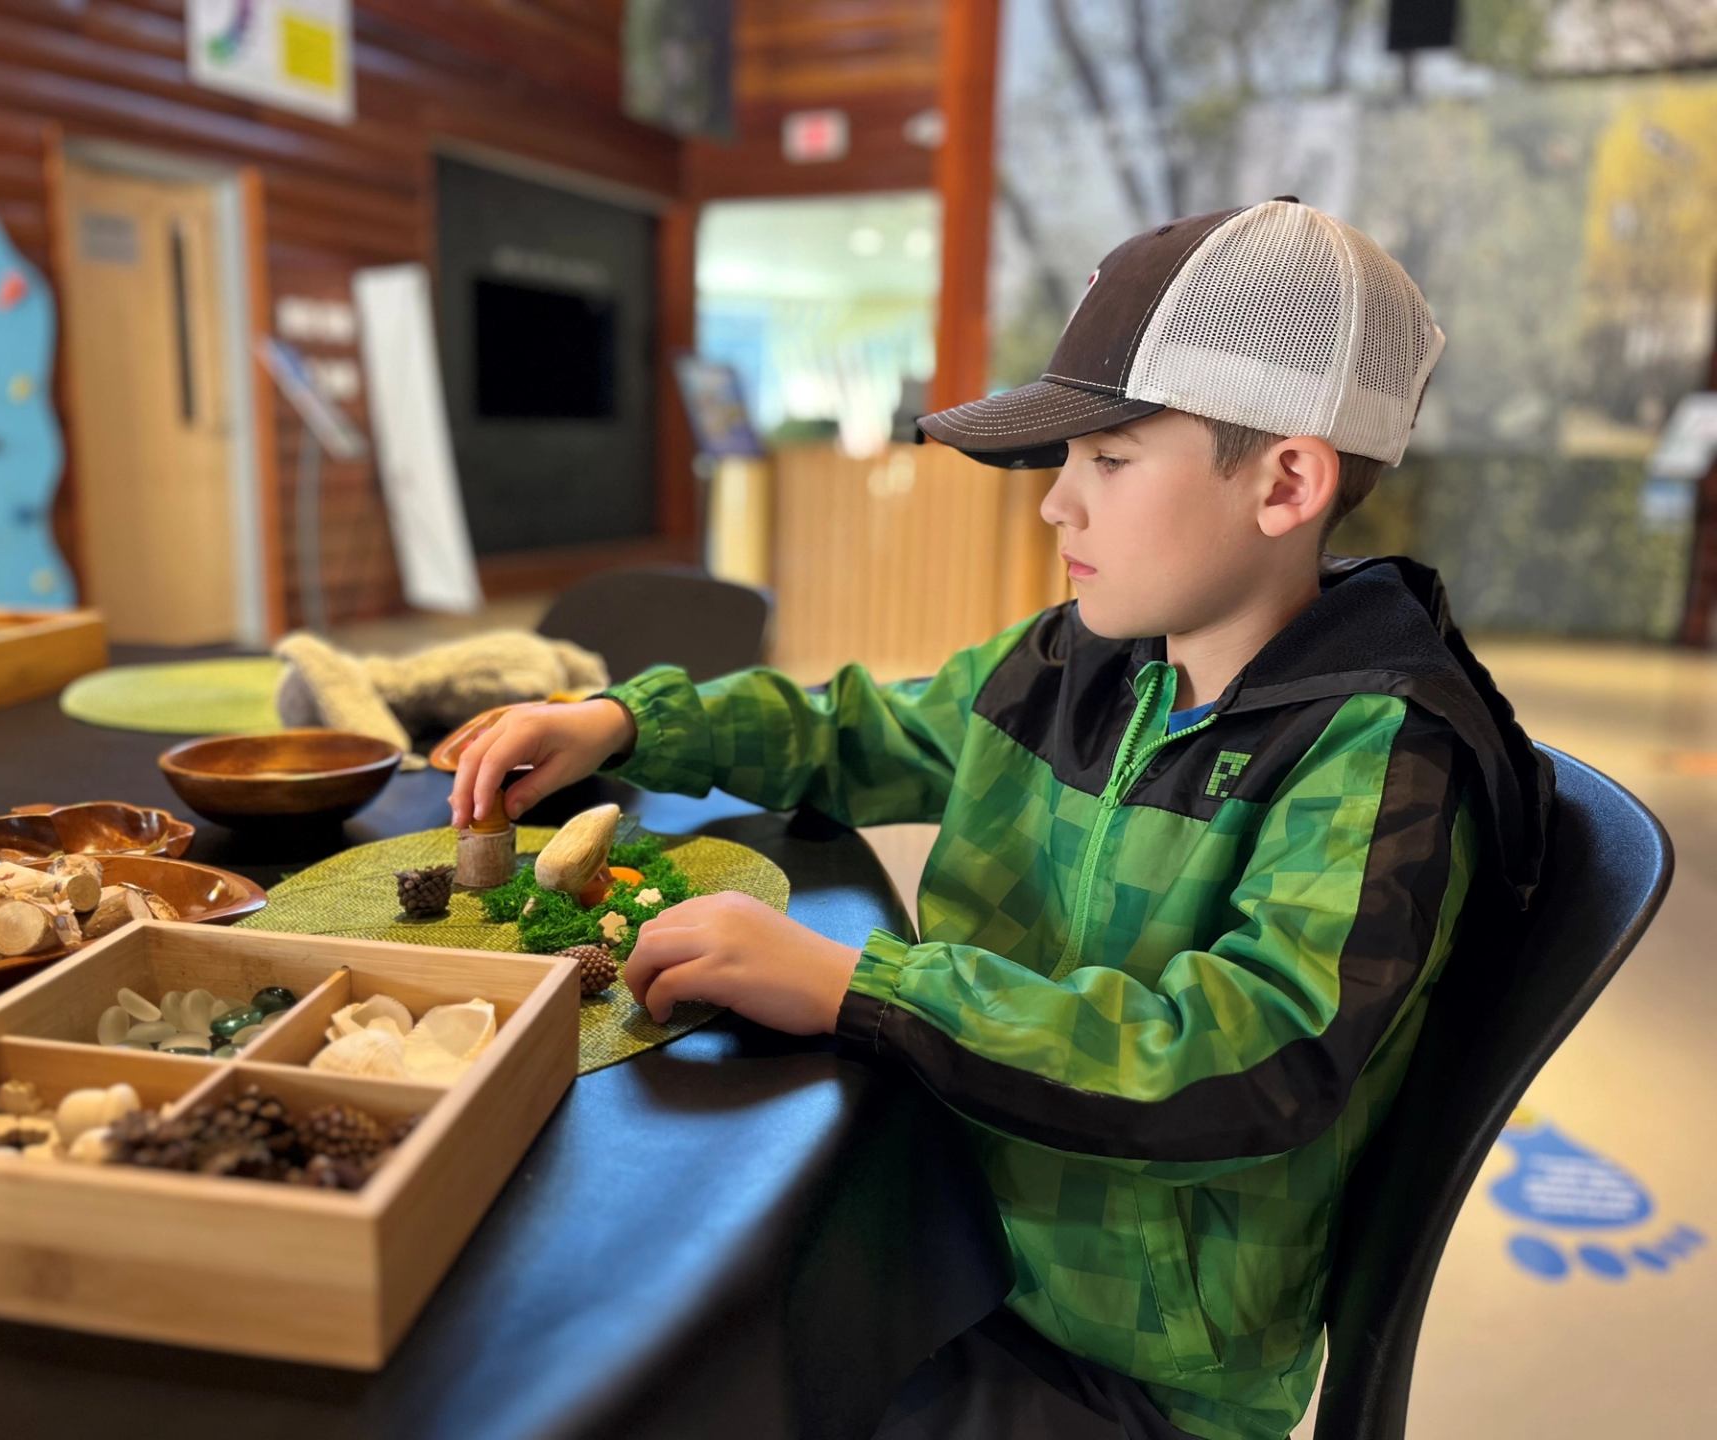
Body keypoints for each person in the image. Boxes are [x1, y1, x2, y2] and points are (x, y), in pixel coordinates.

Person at [449, 198, 1553, 1440]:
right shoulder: (1077, 657)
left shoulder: (1378, 751)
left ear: (1288, 479)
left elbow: (1248, 1056)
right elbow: (859, 727)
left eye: (1110, 461)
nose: (1054, 507)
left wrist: (862, 987)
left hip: (1123, 1367)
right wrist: (631, 724)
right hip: (944, 1225)